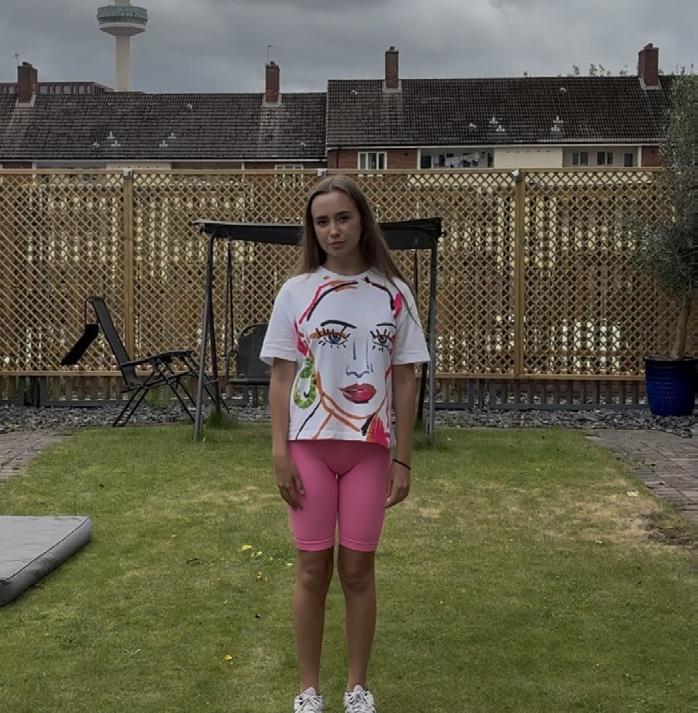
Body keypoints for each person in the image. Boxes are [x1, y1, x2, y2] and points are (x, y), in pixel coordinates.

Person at [260, 175, 430, 713]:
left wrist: (403, 458)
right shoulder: (296, 292)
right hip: (308, 447)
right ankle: (308, 691)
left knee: (358, 570)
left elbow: (406, 377)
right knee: (313, 569)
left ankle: (357, 688)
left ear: (362, 221)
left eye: (342, 217)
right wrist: (280, 451)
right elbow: (281, 376)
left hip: (370, 451)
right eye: (321, 221)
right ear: (312, 230)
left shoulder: (394, 294)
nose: (333, 230)